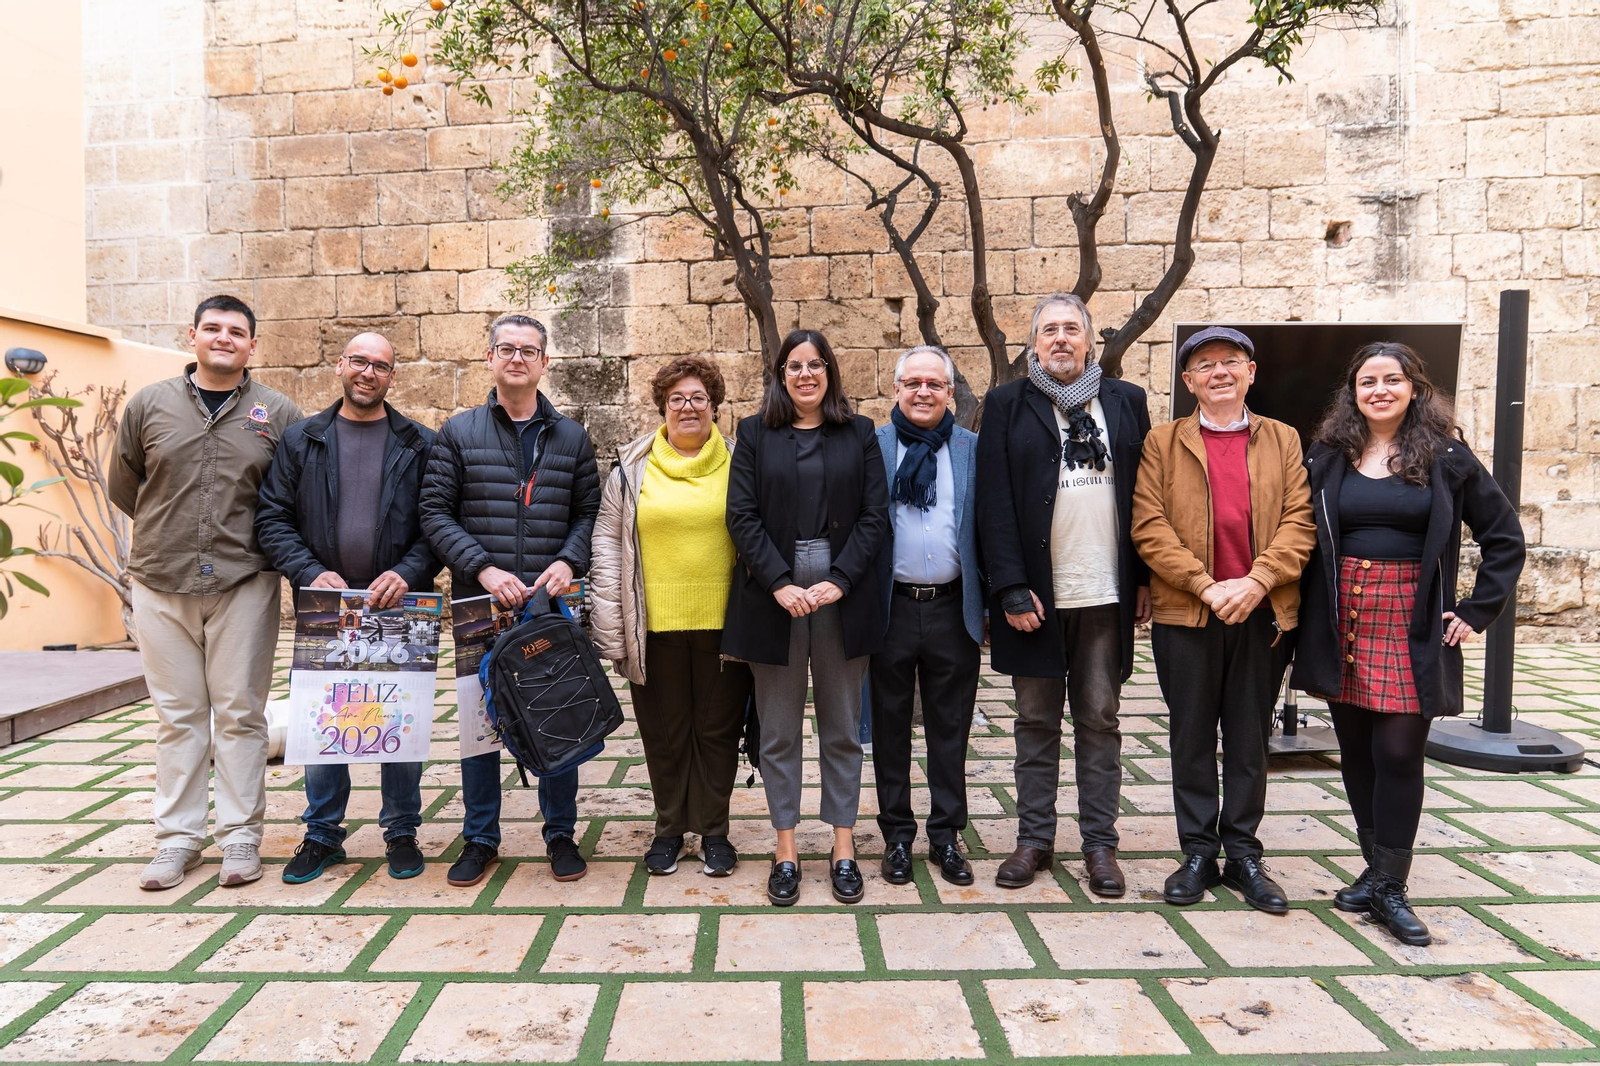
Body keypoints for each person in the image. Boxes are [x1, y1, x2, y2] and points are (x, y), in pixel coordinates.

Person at [1293, 342, 1523, 945]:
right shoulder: (1327, 455)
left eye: (1392, 380)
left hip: (1410, 616)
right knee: (1356, 750)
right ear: (1353, 393)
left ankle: (1392, 886)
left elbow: (1504, 536)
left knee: (1398, 750)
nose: (1380, 391)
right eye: (1367, 381)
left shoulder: (1447, 457)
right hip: (1341, 614)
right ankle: (1375, 871)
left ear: (1415, 389)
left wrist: (1476, 610)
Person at [109, 295, 304, 890]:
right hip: (161, 579)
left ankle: (241, 837)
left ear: (252, 345)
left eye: (236, 332)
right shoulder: (149, 405)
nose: (224, 338)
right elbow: (126, 486)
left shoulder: (278, 413)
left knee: (241, 714)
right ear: (191, 336)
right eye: (212, 328)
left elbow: (293, 494)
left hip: (245, 581)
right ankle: (178, 841)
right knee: (179, 716)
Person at [1131, 326, 1315, 914]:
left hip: (1262, 613)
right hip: (1189, 613)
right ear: (1189, 381)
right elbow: (1148, 525)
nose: (1219, 372)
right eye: (1205, 365)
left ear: (1250, 372)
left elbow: (1300, 521)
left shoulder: (1283, 439)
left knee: (1248, 738)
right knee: (1189, 736)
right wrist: (1206, 586)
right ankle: (1197, 853)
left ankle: (1243, 854)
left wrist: (1258, 581)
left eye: (1230, 361)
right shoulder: (1163, 442)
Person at [976, 294, 1152, 895]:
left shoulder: (1126, 401)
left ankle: (1100, 845)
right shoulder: (1007, 404)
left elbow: (1145, 497)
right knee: (1034, 721)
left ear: (1088, 340)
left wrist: (1144, 579)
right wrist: (1009, 588)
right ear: (1034, 342)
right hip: (1037, 598)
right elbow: (994, 501)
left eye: (1071, 329)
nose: (1060, 339)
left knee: (1100, 719)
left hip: (1105, 593)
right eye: (1049, 329)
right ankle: (1034, 840)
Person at [419, 313, 601, 887]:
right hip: (481, 604)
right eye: (506, 348)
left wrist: (568, 562)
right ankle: (480, 838)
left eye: (528, 350)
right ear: (490, 358)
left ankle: (560, 833)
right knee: (480, 726)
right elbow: (435, 513)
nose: (517, 358)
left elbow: (588, 513)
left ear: (545, 361)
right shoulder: (458, 433)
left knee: (559, 714)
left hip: (549, 604)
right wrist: (484, 568)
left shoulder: (571, 437)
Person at [255, 332, 441, 884]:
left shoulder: (420, 444)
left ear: (392, 376)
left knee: (397, 723)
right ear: (339, 365)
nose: (368, 372)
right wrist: (310, 572)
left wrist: (407, 571)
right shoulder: (302, 439)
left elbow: (437, 522)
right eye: (359, 361)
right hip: (324, 608)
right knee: (324, 722)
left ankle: (402, 831)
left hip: (399, 605)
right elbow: (272, 518)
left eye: (380, 365)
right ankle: (322, 835)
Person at [723, 329, 888, 906]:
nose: (805, 375)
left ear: (830, 372)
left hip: (843, 588)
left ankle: (843, 847)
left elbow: (874, 515)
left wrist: (841, 579)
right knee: (778, 729)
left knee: (843, 726)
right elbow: (740, 515)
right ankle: (786, 848)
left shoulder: (860, 432)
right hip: (776, 589)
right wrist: (778, 581)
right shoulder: (753, 433)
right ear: (780, 374)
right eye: (794, 366)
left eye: (816, 364)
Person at [590, 355, 754, 877]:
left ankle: (713, 831)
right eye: (677, 398)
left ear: (715, 406)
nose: (688, 407)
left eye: (698, 398)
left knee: (717, 734)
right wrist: (611, 629)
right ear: (662, 406)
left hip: (725, 628)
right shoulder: (631, 468)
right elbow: (607, 548)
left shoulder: (741, 462)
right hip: (652, 627)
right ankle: (669, 830)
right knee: (665, 735)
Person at [871, 346, 984, 887]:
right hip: (889, 607)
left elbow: (987, 525)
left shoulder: (971, 448)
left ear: (949, 392)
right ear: (896, 389)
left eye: (934, 384)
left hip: (952, 607)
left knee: (950, 729)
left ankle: (945, 836)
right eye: (913, 383)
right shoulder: (873, 446)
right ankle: (896, 836)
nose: (923, 392)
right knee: (889, 727)